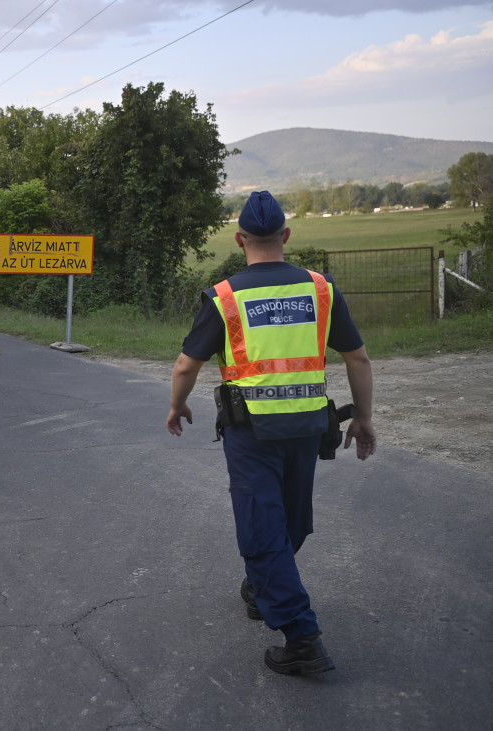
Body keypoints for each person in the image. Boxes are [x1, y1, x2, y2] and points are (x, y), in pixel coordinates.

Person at [165, 191, 377, 675]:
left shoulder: (224, 297)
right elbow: (358, 358)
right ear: (285, 235)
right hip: (309, 427)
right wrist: (363, 417)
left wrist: (177, 406)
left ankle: (301, 636)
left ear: (240, 240)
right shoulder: (321, 290)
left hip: (252, 433)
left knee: (264, 525)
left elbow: (185, 365)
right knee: (292, 520)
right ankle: (264, 585)